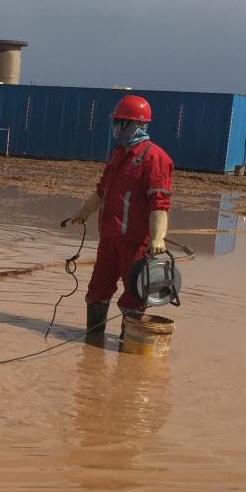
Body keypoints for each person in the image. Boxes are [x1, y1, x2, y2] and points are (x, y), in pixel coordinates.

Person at [64, 94, 173, 346]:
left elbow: (159, 204)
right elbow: (102, 191)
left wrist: (158, 238)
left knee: (134, 294)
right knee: (97, 290)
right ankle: (93, 343)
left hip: (135, 244)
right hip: (109, 239)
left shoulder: (155, 158)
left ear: (132, 124)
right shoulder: (118, 154)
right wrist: (83, 212)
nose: (114, 127)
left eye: (118, 122)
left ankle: (128, 345)